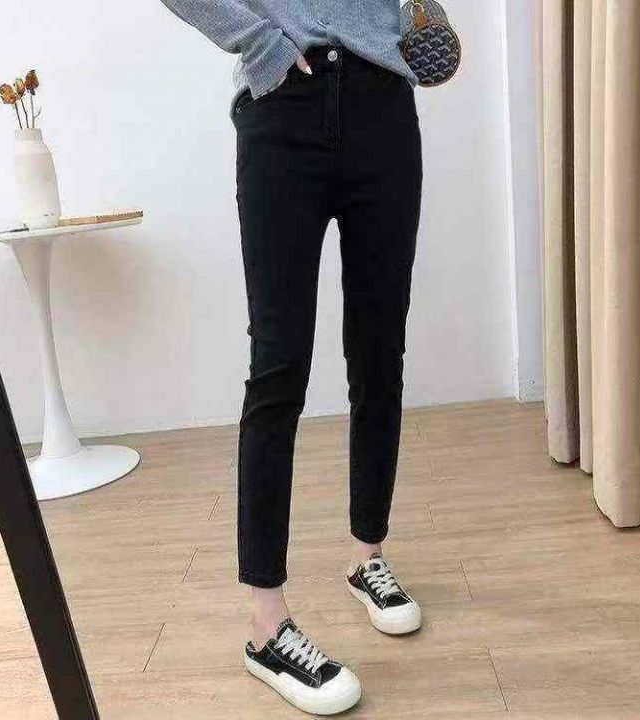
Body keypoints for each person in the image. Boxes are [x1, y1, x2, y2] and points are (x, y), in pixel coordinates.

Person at [160, 0, 423, 714]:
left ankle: (367, 556)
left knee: (380, 352)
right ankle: (266, 626)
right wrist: (261, 44)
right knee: (278, 369)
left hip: (382, 108)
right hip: (283, 110)